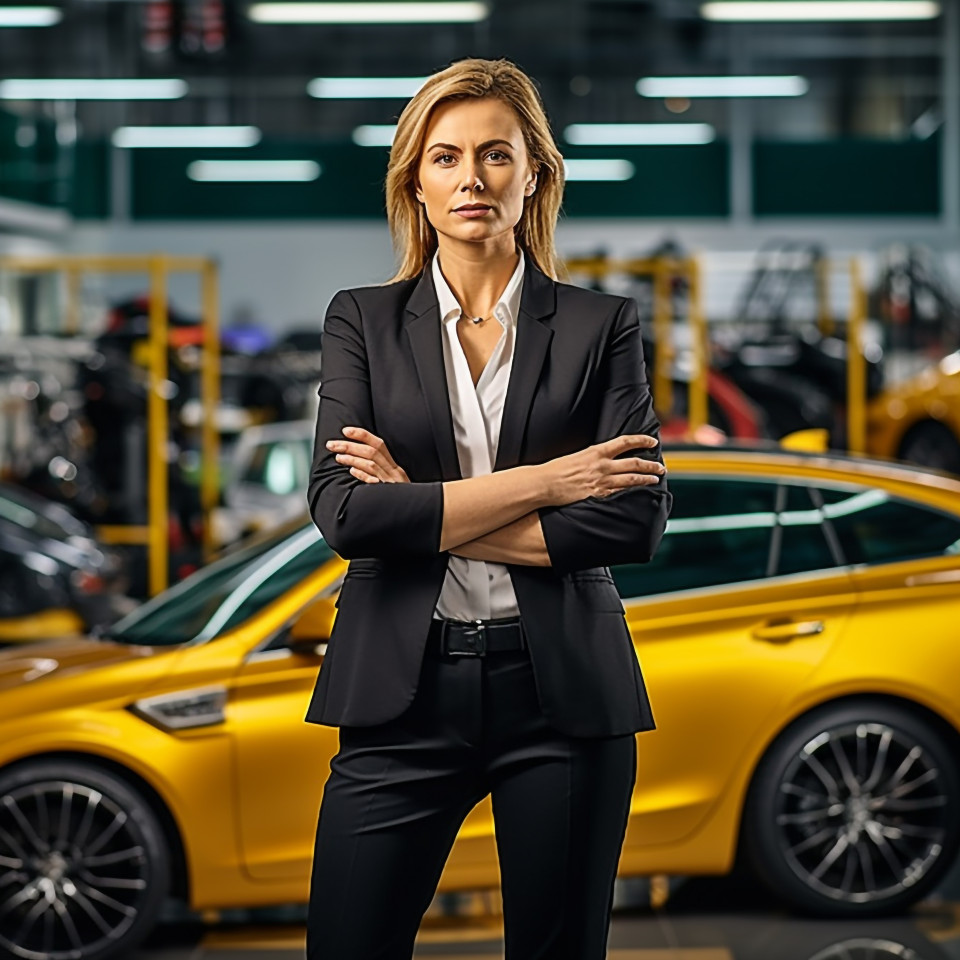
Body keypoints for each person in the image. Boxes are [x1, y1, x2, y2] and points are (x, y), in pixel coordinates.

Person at [305, 56, 673, 960]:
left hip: (562, 697)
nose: (472, 178)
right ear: (415, 184)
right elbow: (347, 516)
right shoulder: (361, 319)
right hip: (402, 694)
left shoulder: (602, 325)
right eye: (445, 157)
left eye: (497, 155)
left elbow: (632, 523)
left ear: (535, 175)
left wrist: (423, 509)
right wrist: (552, 483)